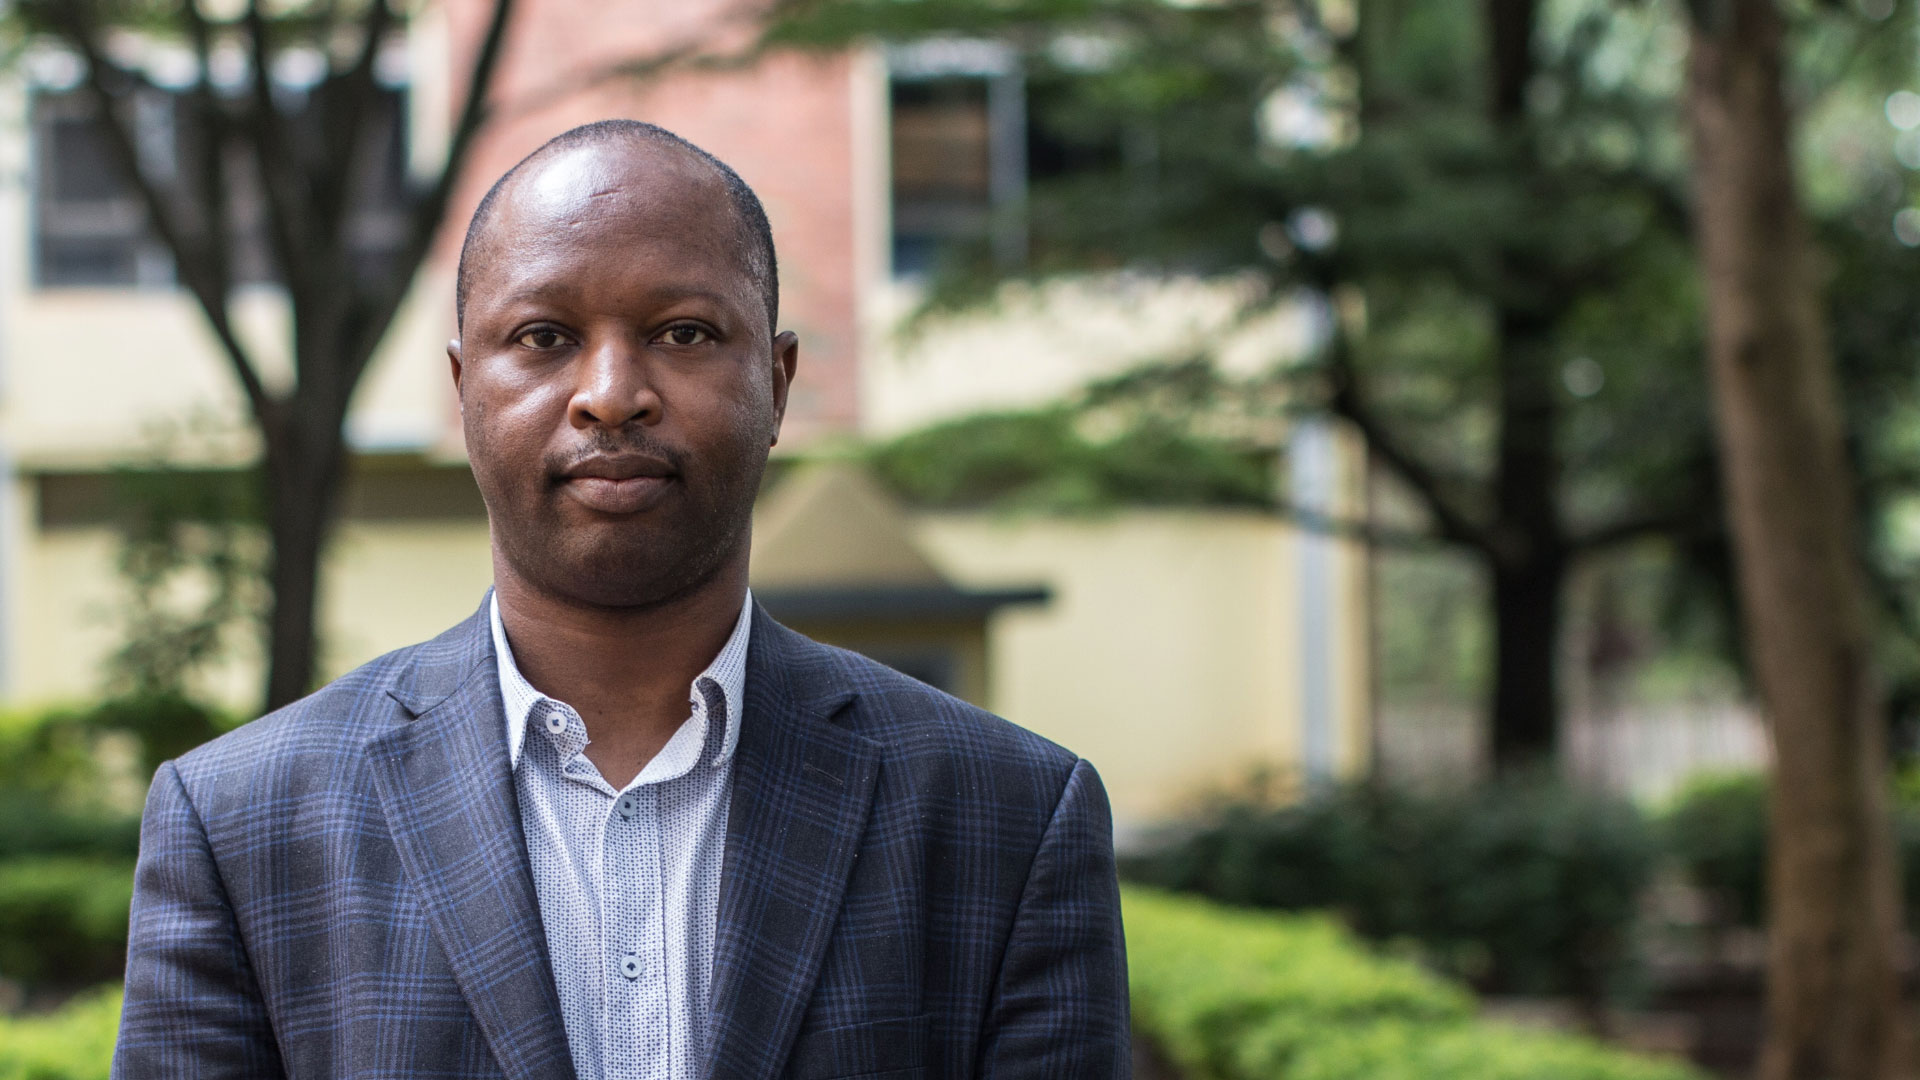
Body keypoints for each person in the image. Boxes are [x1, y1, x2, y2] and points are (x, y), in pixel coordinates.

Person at [111, 120, 1130, 1080]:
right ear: (465, 391)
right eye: (545, 336)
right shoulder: (241, 827)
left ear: (776, 386)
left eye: (684, 333)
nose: (611, 391)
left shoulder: (1009, 816)